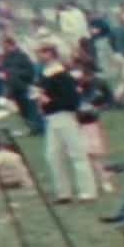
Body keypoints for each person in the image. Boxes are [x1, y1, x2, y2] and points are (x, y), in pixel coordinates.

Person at [33, 38, 97, 204]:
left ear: (50, 53)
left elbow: (71, 101)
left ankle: (87, 191)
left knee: (77, 153)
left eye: (42, 52)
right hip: (52, 118)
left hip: (64, 116)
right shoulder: (45, 74)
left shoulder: (61, 74)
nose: (39, 56)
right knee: (53, 155)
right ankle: (63, 192)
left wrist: (49, 101)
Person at [0, 36, 47, 137]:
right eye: (4, 47)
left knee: (32, 109)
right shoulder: (6, 59)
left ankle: (40, 128)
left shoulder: (22, 56)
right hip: (14, 89)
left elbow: (30, 72)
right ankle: (32, 128)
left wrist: (15, 73)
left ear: (12, 45)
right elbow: (6, 73)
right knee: (23, 111)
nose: (5, 49)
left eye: (6, 46)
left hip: (25, 87)